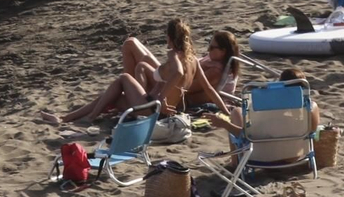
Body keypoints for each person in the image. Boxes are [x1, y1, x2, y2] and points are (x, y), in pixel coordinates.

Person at [43, 19, 218, 126]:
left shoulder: (173, 55)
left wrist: (161, 99)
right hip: (159, 110)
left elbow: (178, 73)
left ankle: (85, 118)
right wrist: (225, 111)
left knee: (124, 78)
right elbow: (209, 89)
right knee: (111, 96)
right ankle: (66, 118)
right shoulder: (193, 60)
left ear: (170, 38)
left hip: (154, 111)